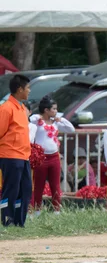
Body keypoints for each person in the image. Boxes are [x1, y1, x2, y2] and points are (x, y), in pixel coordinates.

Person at [29, 96, 75, 214]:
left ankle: (56, 210)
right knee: (39, 185)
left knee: (55, 185)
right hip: (41, 158)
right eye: (54, 109)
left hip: (54, 157)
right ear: (46, 110)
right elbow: (31, 118)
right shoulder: (38, 122)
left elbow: (71, 129)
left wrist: (61, 120)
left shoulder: (56, 123)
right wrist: (39, 116)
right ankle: (37, 210)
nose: (55, 111)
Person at [0, 75, 32, 227]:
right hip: (10, 155)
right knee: (11, 189)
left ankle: (19, 221)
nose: (29, 91)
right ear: (20, 90)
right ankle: (7, 220)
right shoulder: (6, 108)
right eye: (27, 88)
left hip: (24, 155)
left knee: (25, 189)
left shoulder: (22, 108)